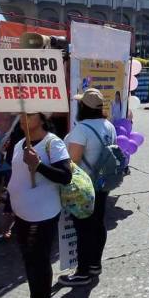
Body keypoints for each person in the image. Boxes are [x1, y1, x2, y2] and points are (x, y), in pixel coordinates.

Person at [5, 112, 72, 298]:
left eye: (30, 114)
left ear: (42, 118)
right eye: (23, 113)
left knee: (39, 262)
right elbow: (15, 177)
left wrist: (39, 165)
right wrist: (8, 208)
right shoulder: (19, 144)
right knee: (29, 261)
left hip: (42, 215)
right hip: (21, 214)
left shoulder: (53, 143)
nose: (24, 117)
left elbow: (65, 176)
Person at [59, 89, 116, 287]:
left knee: (83, 229)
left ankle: (83, 271)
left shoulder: (81, 129)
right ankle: (95, 265)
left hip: (84, 188)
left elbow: (73, 160)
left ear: (83, 107)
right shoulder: (109, 126)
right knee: (98, 224)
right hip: (103, 184)